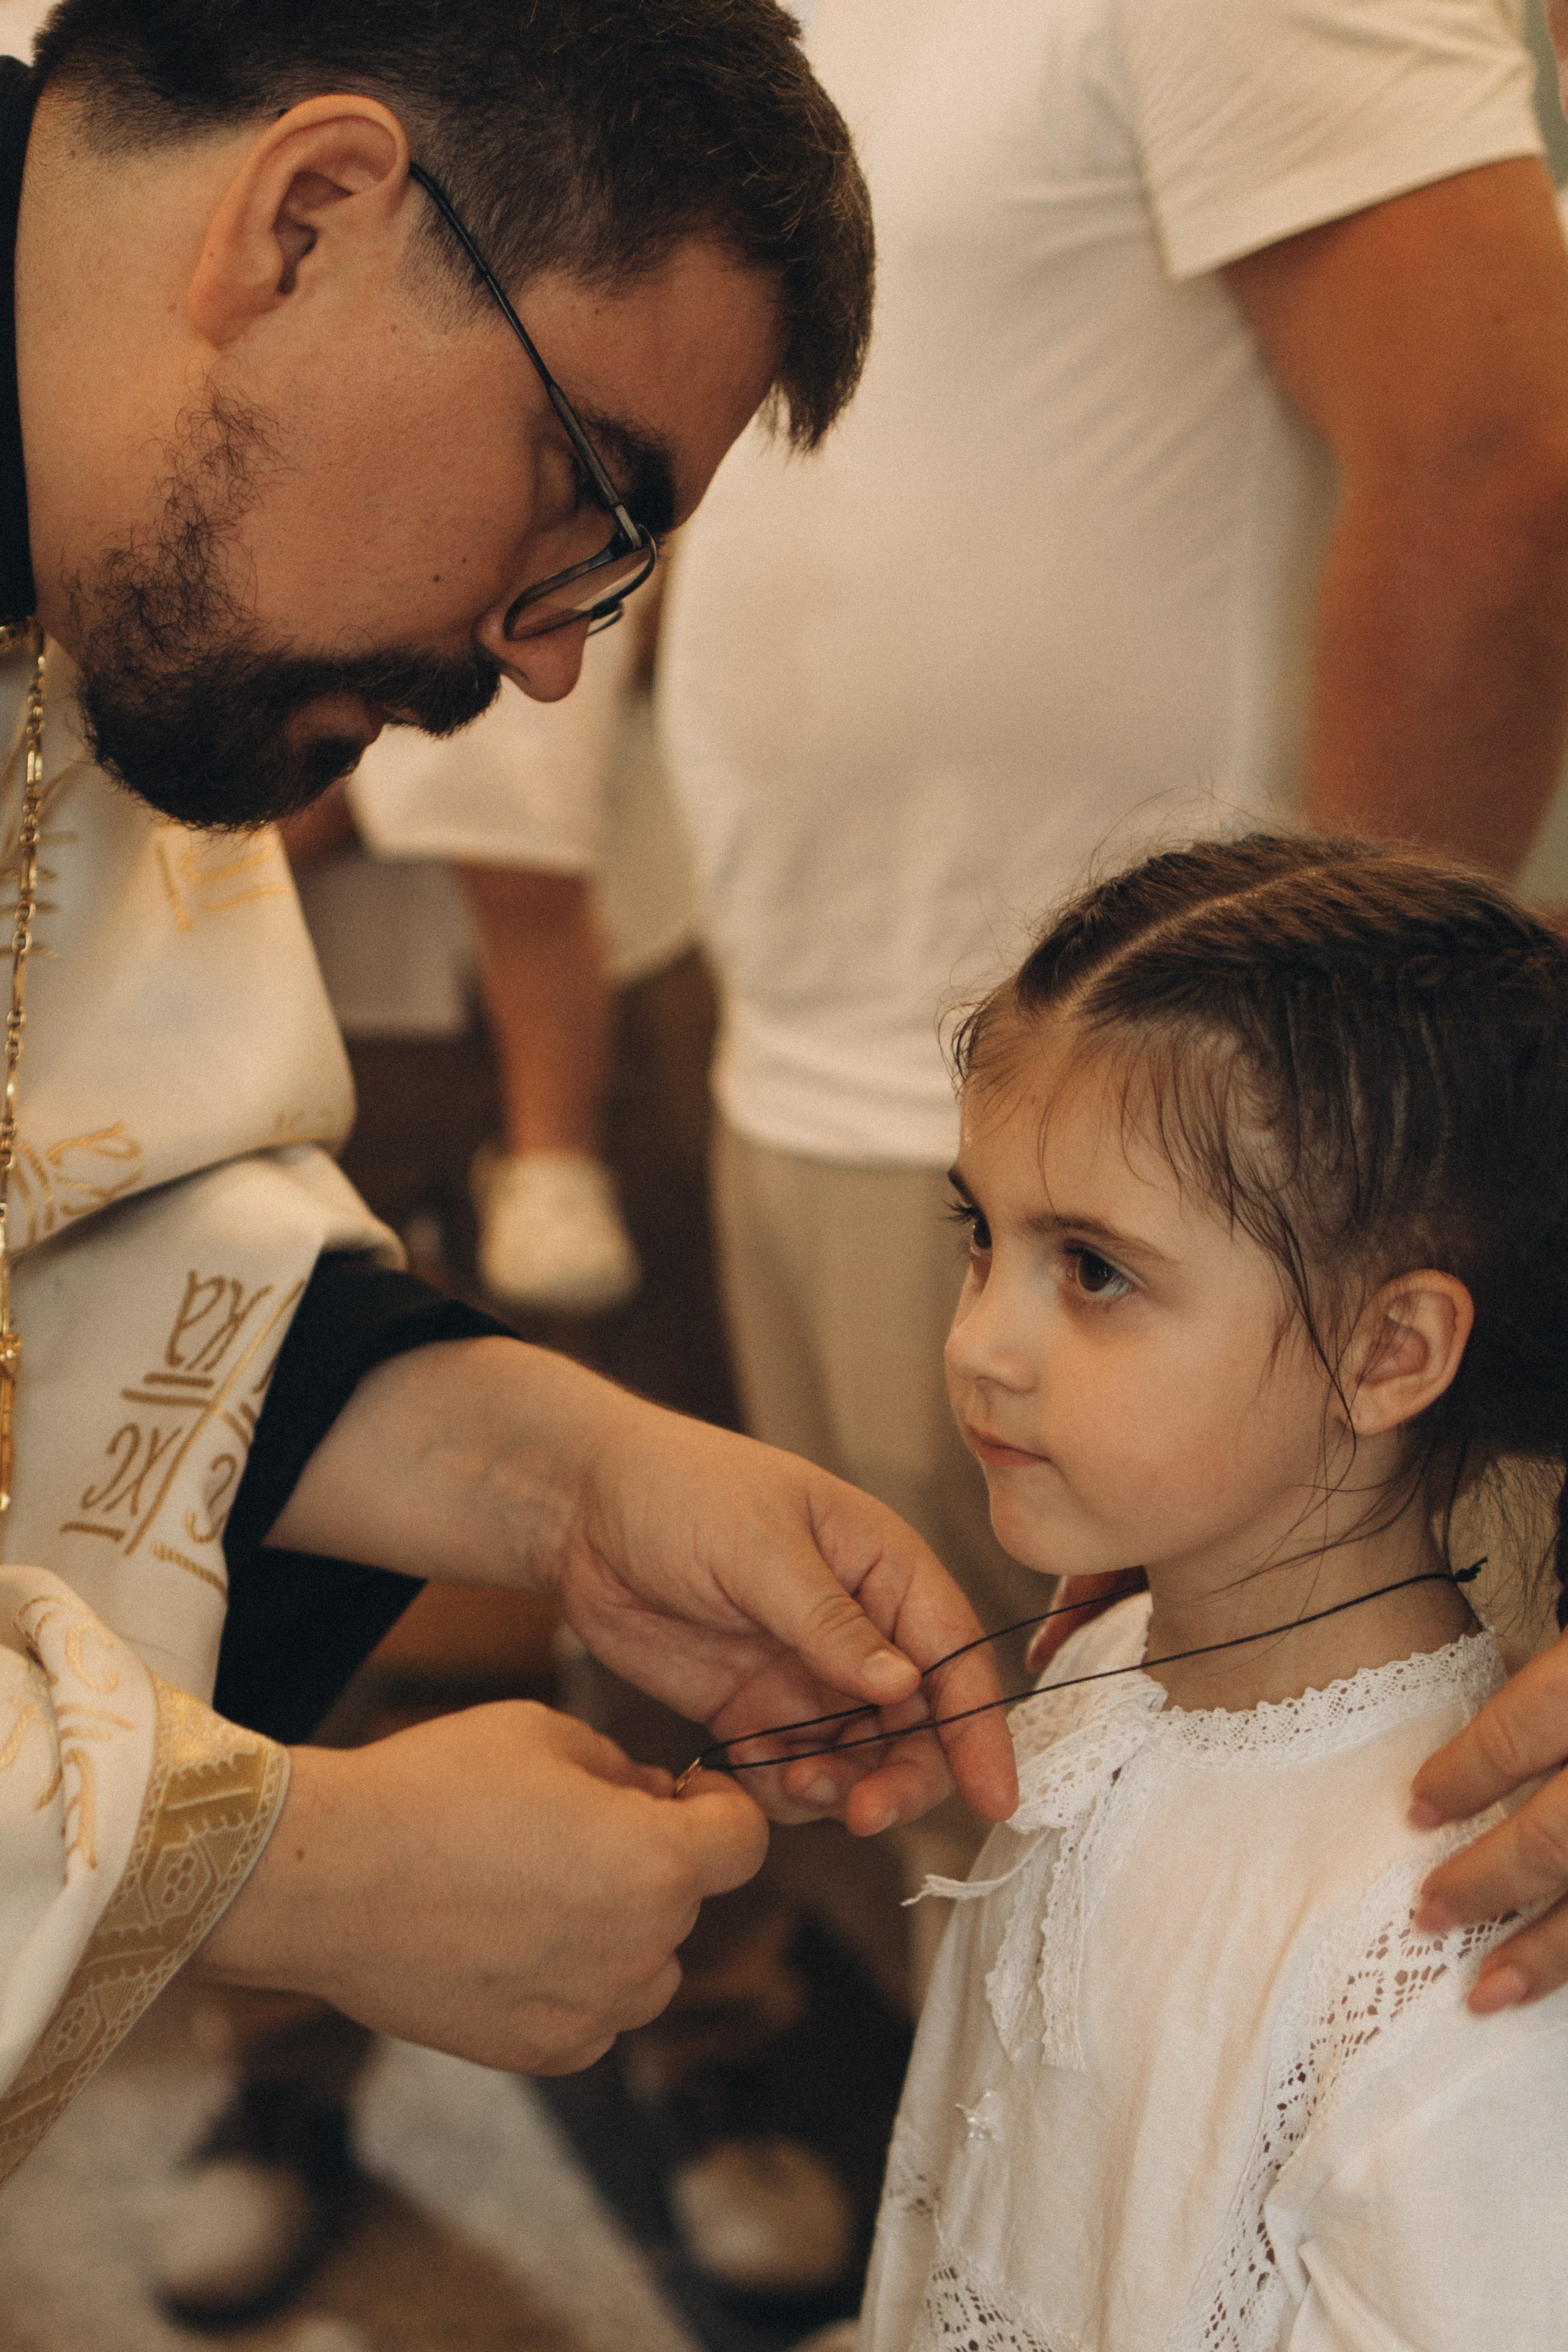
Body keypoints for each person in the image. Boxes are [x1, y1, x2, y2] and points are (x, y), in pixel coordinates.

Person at [0, 0, 1021, 2184]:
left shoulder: (127, 592)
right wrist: (295, 1865)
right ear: (308, 222)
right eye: (585, 491)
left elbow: (97, 1240)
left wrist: (579, 1481)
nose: (553, 656)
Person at [851, 833, 1568, 2350]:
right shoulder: (1096, 1666)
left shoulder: (1438, 1932)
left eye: (1094, 1271)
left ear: (1386, 1353)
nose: (980, 1338)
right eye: (981, 1234)